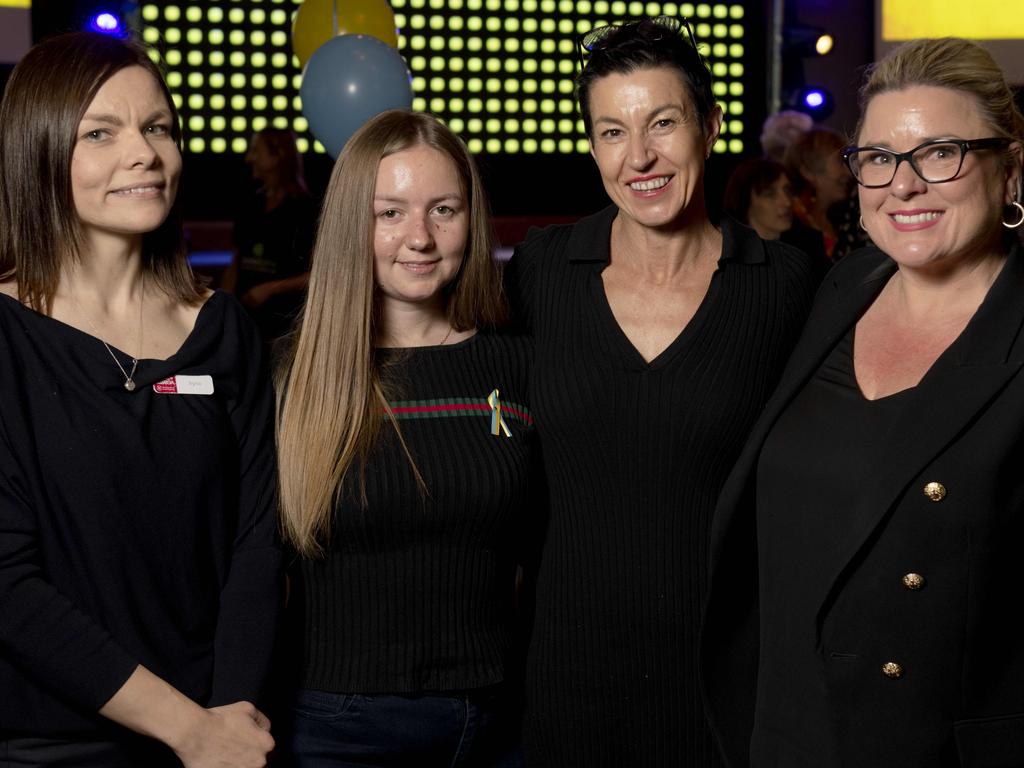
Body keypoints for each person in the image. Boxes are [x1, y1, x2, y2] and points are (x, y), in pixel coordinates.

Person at [503, 17, 819, 767]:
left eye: (662, 124)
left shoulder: (784, 287)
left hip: (727, 692)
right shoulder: (543, 271)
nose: (638, 156)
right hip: (565, 685)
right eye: (611, 131)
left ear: (709, 127)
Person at [702, 37, 1024, 768]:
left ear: (1010, 171)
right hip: (782, 734)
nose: (902, 185)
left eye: (940, 152)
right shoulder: (843, 290)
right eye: (878, 158)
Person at [0, 32, 280, 767]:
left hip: (224, 734)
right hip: (50, 744)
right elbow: (6, 583)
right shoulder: (5, 337)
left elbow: (256, 544)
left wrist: (227, 722)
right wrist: (188, 730)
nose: (145, 154)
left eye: (158, 127)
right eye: (102, 133)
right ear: (40, 149)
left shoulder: (225, 333)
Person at [276, 109, 535, 767]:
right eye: (389, 213)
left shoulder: (516, 365)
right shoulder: (289, 377)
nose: (419, 236)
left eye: (442, 209)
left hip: (500, 721)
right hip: (340, 727)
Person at [226, 128, 318, 344]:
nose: (249, 158)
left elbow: (320, 274)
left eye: (256, 151)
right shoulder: (249, 205)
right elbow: (236, 261)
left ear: (277, 156)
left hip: (286, 330)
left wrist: (270, 290)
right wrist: (225, 305)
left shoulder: (306, 210)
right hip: (246, 324)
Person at [724, 157, 830, 273]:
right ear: (745, 201)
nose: (787, 202)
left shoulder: (809, 247)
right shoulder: (730, 256)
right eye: (771, 195)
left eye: (788, 191)